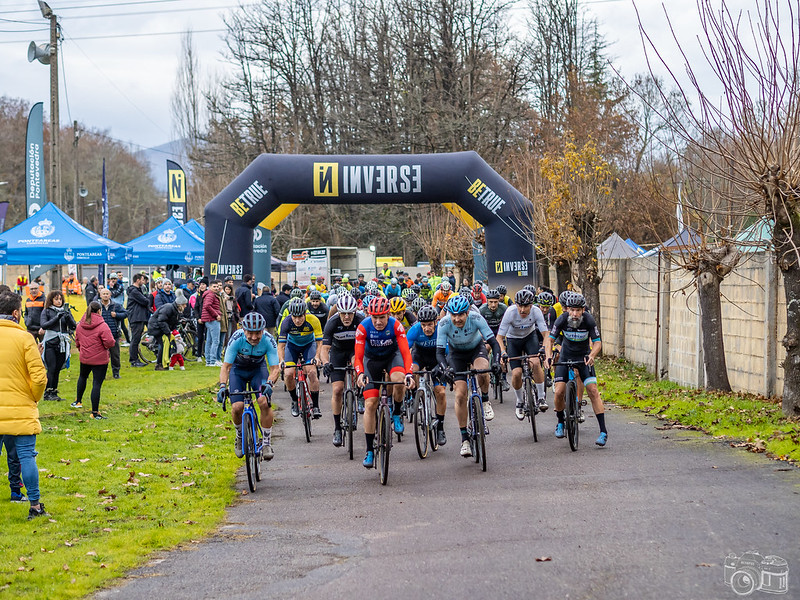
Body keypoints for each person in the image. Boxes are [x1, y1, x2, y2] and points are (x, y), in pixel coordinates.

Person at [0, 291, 49, 519]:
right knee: (27, 456)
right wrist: (34, 397)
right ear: (16, 313)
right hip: (21, 405)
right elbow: (39, 378)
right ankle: (35, 505)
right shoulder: (25, 338)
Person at [434, 295, 502, 458]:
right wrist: (445, 369)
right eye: (454, 315)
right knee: (460, 395)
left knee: (483, 370)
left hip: (475, 349)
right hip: (456, 354)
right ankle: (464, 438)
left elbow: (493, 343)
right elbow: (440, 353)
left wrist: (497, 362)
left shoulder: (476, 318)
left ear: (468, 312)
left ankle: (485, 401)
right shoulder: (443, 323)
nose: (457, 319)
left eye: (461, 314)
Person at [353, 296, 415, 468]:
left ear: (388, 315)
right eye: (375, 317)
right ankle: (369, 450)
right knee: (371, 403)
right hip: (371, 361)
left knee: (398, 380)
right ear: (369, 315)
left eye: (382, 317)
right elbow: (358, 357)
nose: (379, 322)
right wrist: (360, 374)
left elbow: (405, 353)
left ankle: (396, 413)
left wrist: (409, 373)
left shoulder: (396, 325)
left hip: (391, 357)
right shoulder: (363, 327)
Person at [544, 291, 608, 446]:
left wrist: (592, 355)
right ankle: (560, 422)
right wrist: (548, 357)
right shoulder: (562, 319)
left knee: (593, 391)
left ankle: (603, 431)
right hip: (566, 356)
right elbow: (550, 340)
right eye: (571, 310)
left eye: (577, 310)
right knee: (559, 392)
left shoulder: (588, 320)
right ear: (567, 309)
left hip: (583, 357)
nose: (574, 313)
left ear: (583, 310)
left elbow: (598, 342)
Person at [217, 312, 281, 461]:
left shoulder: (268, 340)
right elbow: (226, 367)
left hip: (258, 371)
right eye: (250, 333)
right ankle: (240, 436)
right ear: (243, 330)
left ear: (263, 330)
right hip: (237, 371)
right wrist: (221, 386)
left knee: (263, 402)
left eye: (257, 333)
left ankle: (266, 443)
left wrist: (270, 383)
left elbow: (275, 368)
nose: (253, 337)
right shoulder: (236, 339)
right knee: (237, 407)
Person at [497, 288, 550, 420]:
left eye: (526, 306)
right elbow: (499, 337)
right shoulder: (510, 312)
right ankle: (520, 401)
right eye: (519, 305)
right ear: (516, 304)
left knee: (536, 363)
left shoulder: (536, 311)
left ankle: (541, 398)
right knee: (516, 373)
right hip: (513, 340)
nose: (522, 310)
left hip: (529, 337)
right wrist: (503, 352)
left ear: (531, 305)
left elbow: (546, 334)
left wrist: (543, 348)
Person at [320, 295, 364, 447]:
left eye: (350, 313)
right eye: (343, 313)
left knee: (357, 365)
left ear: (355, 312)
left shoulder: (361, 321)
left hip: (354, 351)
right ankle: (337, 428)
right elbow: (324, 348)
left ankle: (360, 394)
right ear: (338, 312)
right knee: (337, 390)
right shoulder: (332, 323)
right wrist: (326, 362)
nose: (346, 317)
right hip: (337, 353)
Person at [407, 304, 448, 446]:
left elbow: (449, 353)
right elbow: (405, 351)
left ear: (436, 322)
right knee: (412, 371)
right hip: (419, 356)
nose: (426, 328)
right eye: (423, 325)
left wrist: (441, 366)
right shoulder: (415, 330)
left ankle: (440, 428)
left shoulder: (442, 329)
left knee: (440, 392)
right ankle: (414, 396)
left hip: (438, 358)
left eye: (430, 324)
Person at [277, 298, 323, 419]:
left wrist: (317, 357)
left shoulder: (313, 320)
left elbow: (319, 343)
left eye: (300, 317)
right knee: (288, 374)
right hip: (292, 347)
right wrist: (281, 360)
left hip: (309, 345)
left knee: (312, 372)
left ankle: (316, 406)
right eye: (294, 317)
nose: (297, 320)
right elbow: (281, 345)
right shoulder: (286, 322)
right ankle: (294, 401)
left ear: (305, 314)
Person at [72, 301, 115, 419]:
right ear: (99, 311)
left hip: (85, 357)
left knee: (82, 377)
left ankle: (78, 401)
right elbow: (110, 342)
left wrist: (82, 349)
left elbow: (77, 340)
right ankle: (95, 412)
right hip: (100, 359)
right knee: (96, 384)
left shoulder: (80, 324)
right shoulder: (102, 325)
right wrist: (105, 347)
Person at [40, 291, 77, 401]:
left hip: (62, 343)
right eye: (56, 299)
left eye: (60, 299)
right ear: (51, 300)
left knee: (57, 369)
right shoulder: (46, 311)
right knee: (51, 368)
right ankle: (47, 392)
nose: (59, 301)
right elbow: (44, 325)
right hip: (50, 343)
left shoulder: (66, 311)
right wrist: (57, 317)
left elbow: (73, 326)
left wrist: (68, 317)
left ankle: (54, 392)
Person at [147, 294, 188, 370]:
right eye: (184, 304)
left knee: (167, 345)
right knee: (163, 345)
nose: (185, 306)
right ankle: (159, 364)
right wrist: (168, 333)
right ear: (180, 304)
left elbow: (172, 322)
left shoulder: (176, 310)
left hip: (160, 327)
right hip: (156, 327)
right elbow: (161, 321)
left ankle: (165, 363)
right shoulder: (168, 308)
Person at [480, 288, 510, 392]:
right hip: (487, 332)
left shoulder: (504, 308)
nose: (493, 305)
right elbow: (479, 327)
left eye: (496, 302)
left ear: (499, 301)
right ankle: (487, 369)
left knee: (503, 353)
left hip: (499, 331)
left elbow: (508, 324)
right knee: (487, 348)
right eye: (491, 302)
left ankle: (504, 379)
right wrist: (482, 339)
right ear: (487, 301)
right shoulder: (482, 310)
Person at [97, 288, 127, 379]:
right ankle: (101, 373)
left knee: (115, 355)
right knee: (101, 356)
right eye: (104, 294)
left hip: (113, 334)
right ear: (100, 295)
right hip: (100, 336)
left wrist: (117, 315)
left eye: (107, 294)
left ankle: (116, 372)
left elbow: (126, 313)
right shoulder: (97, 306)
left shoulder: (116, 306)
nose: (105, 295)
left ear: (110, 295)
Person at [126, 273, 150, 367]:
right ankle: (134, 360)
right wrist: (147, 298)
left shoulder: (138, 290)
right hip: (136, 317)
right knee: (135, 340)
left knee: (136, 339)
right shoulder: (134, 291)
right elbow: (145, 301)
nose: (144, 282)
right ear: (138, 280)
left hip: (139, 316)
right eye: (142, 280)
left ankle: (135, 359)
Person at [202, 280, 224, 367]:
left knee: (209, 341)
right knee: (215, 341)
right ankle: (212, 361)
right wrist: (216, 315)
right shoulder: (211, 295)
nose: (216, 288)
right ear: (210, 287)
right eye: (214, 287)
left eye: (217, 287)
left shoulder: (208, 294)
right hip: (212, 319)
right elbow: (207, 305)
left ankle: (209, 361)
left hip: (208, 319)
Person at [108, 273, 130, 345]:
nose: (113, 280)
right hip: (111, 307)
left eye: (114, 279)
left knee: (122, 325)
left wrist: (111, 288)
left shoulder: (120, 286)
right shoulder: (109, 287)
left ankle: (128, 340)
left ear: (117, 279)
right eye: (112, 279)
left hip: (119, 308)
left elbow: (114, 294)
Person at [222, 282, 240, 348]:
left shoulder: (233, 299)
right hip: (224, 317)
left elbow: (236, 308)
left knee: (230, 333)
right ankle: (224, 347)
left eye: (229, 289)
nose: (228, 291)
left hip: (231, 318)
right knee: (224, 334)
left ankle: (228, 347)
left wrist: (237, 317)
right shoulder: (223, 298)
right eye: (226, 289)